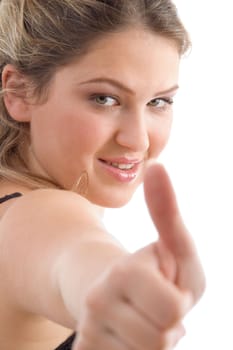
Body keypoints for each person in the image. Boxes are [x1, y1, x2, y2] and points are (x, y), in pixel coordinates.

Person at [0, 1, 205, 349]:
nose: (138, 139)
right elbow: (74, 254)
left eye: (159, 102)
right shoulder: (33, 215)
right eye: (104, 98)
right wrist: (114, 288)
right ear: (19, 92)